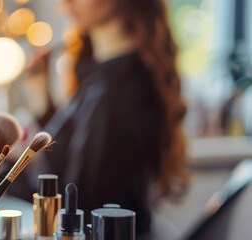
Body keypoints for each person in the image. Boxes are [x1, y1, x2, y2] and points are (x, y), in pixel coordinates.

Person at [22, 0, 187, 236]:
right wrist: (42, 101)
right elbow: (69, 160)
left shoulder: (117, 94)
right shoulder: (99, 80)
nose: (65, 3)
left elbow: (79, 197)